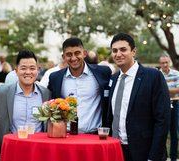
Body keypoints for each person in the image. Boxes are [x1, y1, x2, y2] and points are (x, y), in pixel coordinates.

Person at [107, 33, 170, 161]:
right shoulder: (113, 79)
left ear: (133, 51)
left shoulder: (153, 76)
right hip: (116, 149)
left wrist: (154, 157)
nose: (118, 54)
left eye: (123, 49)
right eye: (114, 50)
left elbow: (162, 119)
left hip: (144, 152)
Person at [48, 37, 111, 134]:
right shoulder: (55, 78)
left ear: (84, 53)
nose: (73, 58)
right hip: (66, 135)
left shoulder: (102, 73)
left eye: (77, 53)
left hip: (94, 135)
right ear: (63, 57)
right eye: (69, 54)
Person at [0, 50, 51, 154]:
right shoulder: (2, 93)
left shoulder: (46, 94)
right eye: (23, 68)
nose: (28, 72)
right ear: (16, 70)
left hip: (38, 151)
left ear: (37, 70)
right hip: (11, 150)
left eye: (32, 68)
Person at [158, 54, 179, 161]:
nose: (165, 64)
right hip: (162, 105)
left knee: (174, 132)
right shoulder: (157, 75)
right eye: (163, 63)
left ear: (169, 62)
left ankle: (174, 157)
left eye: (167, 62)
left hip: (175, 104)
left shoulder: (176, 74)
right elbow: (156, 92)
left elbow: (178, 90)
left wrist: (164, 90)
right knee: (162, 132)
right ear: (159, 64)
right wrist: (171, 90)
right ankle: (164, 157)